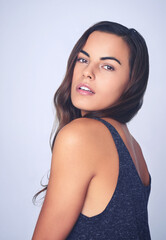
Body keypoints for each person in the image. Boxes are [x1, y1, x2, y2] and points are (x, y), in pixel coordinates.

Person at [32, 21, 151, 239]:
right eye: (83, 59)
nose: (87, 72)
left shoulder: (81, 136)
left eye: (108, 66)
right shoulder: (134, 147)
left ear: (131, 82)